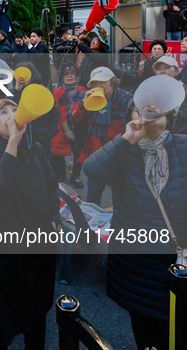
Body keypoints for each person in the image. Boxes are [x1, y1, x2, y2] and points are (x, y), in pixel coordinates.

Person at [83, 76, 187, 350]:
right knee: (145, 329)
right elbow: (92, 171)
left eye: (156, 109)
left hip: (175, 258)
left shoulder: (183, 147)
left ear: (170, 115)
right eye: (141, 109)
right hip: (135, 260)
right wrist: (127, 139)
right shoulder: (123, 150)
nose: (148, 113)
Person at [0, 99, 58, 350]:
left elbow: (52, 186)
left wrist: (51, 221)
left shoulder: (37, 149)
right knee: (2, 318)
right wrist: (12, 142)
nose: (12, 116)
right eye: (3, 113)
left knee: (37, 311)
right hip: (5, 252)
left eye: (15, 110)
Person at [69, 67, 133, 205]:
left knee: (121, 196)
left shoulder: (125, 100)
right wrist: (83, 104)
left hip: (118, 155)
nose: (98, 86)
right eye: (95, 83)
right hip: (96, 155)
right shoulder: (85, 98)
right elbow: (73, 119)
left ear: (112, 82)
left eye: (102, 82)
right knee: (93, 196)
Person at [11, 61, 59, 160]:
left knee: (42, 168)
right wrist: (16, 91)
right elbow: (10, 109)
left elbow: (55, 114)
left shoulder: (42, 91)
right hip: (21, 139)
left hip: (42, 140)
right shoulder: (15, 92)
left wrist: (49, 133)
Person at [51, 63, 86, 187]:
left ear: (78, 78)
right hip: (62, 127)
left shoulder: (84, 91)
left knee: (79, 153)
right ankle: (60, 176)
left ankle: (75, 175)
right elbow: (55, 112)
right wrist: (61, 126)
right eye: (66, 74)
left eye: (72, 74)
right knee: (58, 154)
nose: (69, 76)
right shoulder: (57, 92)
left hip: (79, 127)